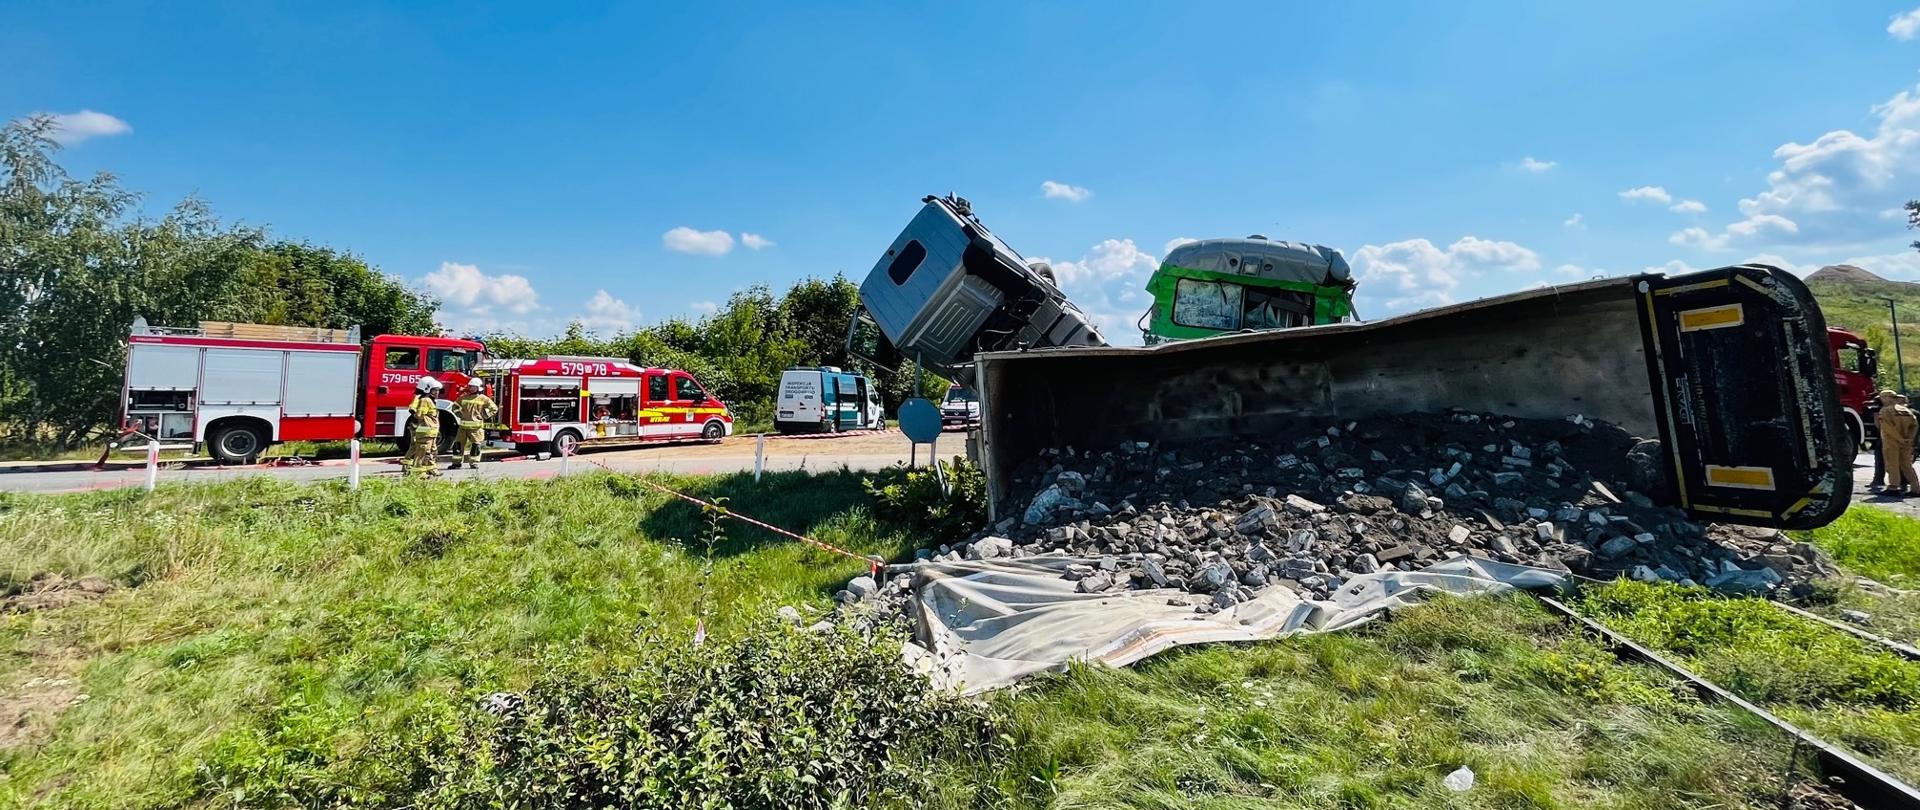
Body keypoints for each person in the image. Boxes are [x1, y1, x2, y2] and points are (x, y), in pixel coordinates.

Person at [1876, 389, 1919, 496]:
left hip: (1891, 442)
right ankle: (1915, 488)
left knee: (1892, 464)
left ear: (1887, 398)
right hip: (1906, 442)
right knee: (1907, 465)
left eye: (1882, 398)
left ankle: (1893, 487)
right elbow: (1914, 425)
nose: (1881, 400)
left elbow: (1888, 428)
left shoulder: (1885, 411)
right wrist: (1909, 438)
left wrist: (1899, 439)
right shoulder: (1906, 411)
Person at [450, 378, 498, 470]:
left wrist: (484, 416)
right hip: (463, 428)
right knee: (458, 445)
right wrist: (459, 414)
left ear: (478, 388)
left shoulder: (484, 399)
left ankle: (474, 463)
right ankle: (456, 463)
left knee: (475, 446)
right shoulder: (463, 397)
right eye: (470, 386)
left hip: (476, 428)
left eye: (474, 387)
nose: (471, 388)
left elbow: (494, 408)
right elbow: (454, 406)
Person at [405, 376, 444, 478]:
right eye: (434, 390)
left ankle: (431, 469)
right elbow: (420, 415)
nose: (437, 392)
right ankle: (418, 472)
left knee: (430, 451)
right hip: (425, 432)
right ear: (428, 390)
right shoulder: (425, 400)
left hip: (431, 432)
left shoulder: (429, 400)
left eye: (438, 390)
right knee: (421, 451)